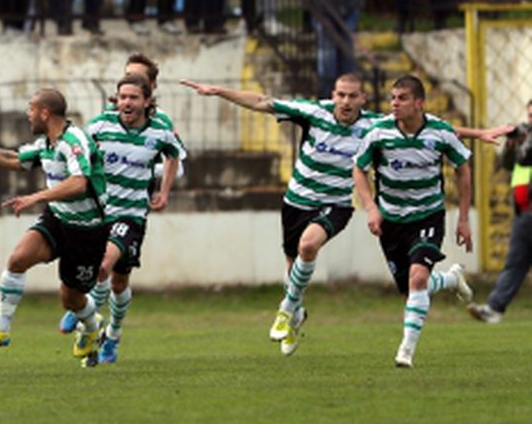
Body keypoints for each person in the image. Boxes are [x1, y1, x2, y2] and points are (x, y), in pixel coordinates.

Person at [180, 73, 507, 356]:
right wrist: (218, 91)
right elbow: (263, 101)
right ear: (333, 95)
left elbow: (430, 126)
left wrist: (479, 134)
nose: (346, 101)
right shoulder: (313, 112)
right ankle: (297, 314)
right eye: (340, 95)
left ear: (363, 98)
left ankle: (286, 310)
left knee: (308, 246)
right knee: (294, 269)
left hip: (336, 204)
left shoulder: (375, 124)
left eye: (352, 96)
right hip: (296, 200)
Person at [0, 89, 109, 365]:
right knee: (18, 259)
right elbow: (14, 160)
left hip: (87, 229)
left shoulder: (74, 141)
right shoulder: (46, 144)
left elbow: (79, 182)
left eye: (31, 109)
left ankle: (93, 329)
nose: (28, 114)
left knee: (71, 299)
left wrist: (36, 197)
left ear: (45, 113)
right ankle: (1, 331)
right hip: (58, 218)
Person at [352, 75, 474, 369]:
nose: (395, 103)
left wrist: (463, 219)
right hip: (391, 220)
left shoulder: (441, 132)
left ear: (419, 103)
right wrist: (371, 208)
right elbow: (358, 169)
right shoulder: (378, 133)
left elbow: (463, 169)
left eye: (402, 98)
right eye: (393, 98)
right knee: (412, 289)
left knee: (418, 278)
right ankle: (451, 279)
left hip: (427, 215)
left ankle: (406, 350)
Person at [67, 74, 184, 365]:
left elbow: (174, 156)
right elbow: (77, 151)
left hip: (132, 215)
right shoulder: (100, 125)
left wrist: (164, 192)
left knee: (113, 275)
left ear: (147, 101)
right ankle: (91, 327)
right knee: (106, 273)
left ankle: (112, 333)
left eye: (133, 97)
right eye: (122, 97)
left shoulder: (160, 130)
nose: (127, 103)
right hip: (100, 213)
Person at [468, 101, 532, 323]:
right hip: (524, 213)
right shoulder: (525, 140)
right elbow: (508, 164)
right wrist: (512, 144)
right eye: (530, 116)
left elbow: (527, 157)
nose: (531, 121)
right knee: (515, 262)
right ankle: (494, 308)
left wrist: (526, 142)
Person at [312, 0, 365, 98]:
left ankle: (347, 89)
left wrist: (357, 5)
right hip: (324, 10)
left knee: (347, 52)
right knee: (327, 54)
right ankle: (327, 92)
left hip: (349, 11)